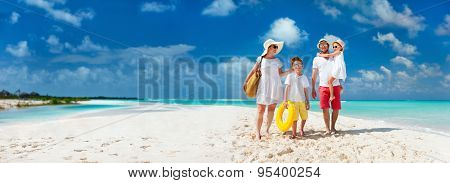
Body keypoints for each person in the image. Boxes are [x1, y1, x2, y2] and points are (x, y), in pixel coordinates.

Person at [243, 39, 292, 140]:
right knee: (260, 110)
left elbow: (280, 74)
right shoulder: (260, 59)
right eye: (274, 47)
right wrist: (246, 81)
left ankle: (267, 130)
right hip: (263, 86)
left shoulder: (277, 61)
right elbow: (253, 71)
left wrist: (289, 71)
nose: (276, 49)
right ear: (268, 47)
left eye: (277, 47)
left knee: (271, 109)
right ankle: (258, 132)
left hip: (275, 86)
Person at [311, 39, 342, 135]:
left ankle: (333, 127)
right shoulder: (316, 59)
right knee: (325, 108)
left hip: (335, 85)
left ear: (328, 46)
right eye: (321, 45)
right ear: (319, 47)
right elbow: (314, 75)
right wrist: (313, 88)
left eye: (325, 44)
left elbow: (338, 70)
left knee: (336, 108)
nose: (323, 46)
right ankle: (327, 128)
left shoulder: (335, 57)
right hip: (323, 86)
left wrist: (340, 83)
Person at [283, 56, 310, 139]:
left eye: (299, 64)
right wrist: (285, 100)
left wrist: (307, 101)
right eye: (295, 64)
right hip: (292, 101)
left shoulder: (304, 77)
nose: (297, 66)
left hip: (302, 101)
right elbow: (287, 88)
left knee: (304, 117)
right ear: (292, 67)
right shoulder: (290, 76)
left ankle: (301, 129)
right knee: (294, 119)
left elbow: (306, 90)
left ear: (302, 66)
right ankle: (294, 134)